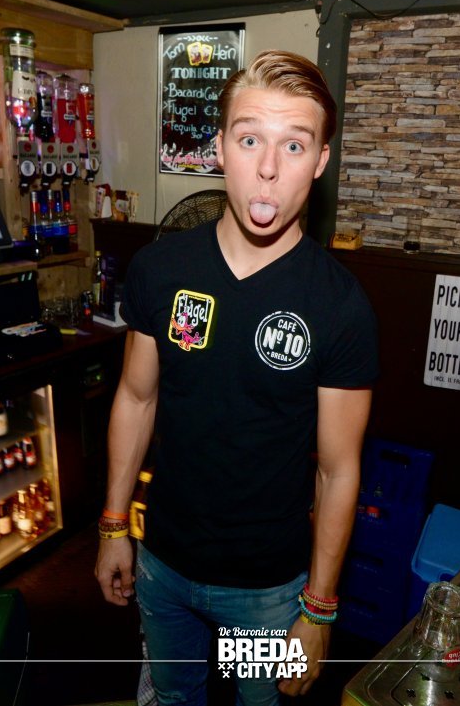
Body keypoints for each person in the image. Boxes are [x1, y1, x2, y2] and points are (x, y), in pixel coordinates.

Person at [95, 49, 378, 704]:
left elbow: (339, 471)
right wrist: (112, 527)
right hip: (162, 567)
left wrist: (319, 609)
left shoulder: (339, 306)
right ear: (220, 146)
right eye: (250, 139)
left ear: (321, 161)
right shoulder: (161, 269)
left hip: (266, 591)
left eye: (294, 145)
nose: (269, 168)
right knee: (174, 698)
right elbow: (136, 398)